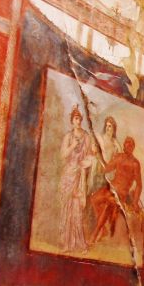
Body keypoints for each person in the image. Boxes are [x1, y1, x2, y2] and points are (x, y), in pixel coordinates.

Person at [87, 136, 143, 245]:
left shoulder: (135, 164)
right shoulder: (118, 157)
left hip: (121, 193)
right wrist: (98, 155)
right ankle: (103, 229)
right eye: (127, 143)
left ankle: (95, 234)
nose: (128, 146)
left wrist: (135, 202)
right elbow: (106, 169)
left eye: (131, 144)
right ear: (123, 146)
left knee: (108, 204)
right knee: (94, 199)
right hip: (111, 188)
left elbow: (139, 185)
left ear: (133, 147)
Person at [58, 105, 94, 253]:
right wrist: (72, 146)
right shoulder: (68, 136)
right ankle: (67, 243)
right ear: (72, 121)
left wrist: (90, 158)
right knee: (67, 208)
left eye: (79, 119)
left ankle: (79, 243)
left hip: (79, 174)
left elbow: (90, 155)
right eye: (75, 119)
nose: (78, 121)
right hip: (68, 174)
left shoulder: (86, 136)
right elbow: (62, 155)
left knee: (77, 209)